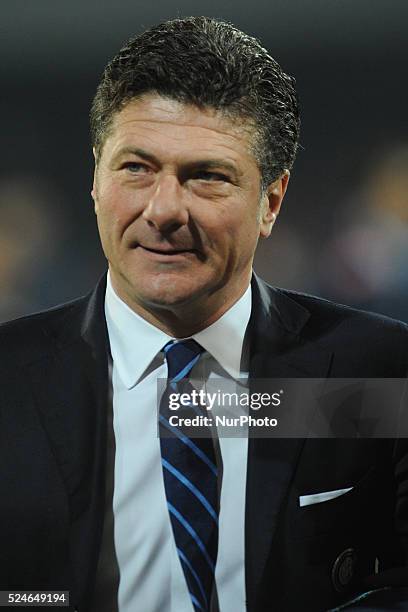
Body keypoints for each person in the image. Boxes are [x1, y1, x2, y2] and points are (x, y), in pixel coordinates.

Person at [0, 16, 407, 612]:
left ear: (271, 201)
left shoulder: (377, 368)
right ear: (94, 178)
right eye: (136, 168)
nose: (164, 210)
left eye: (208, 177)